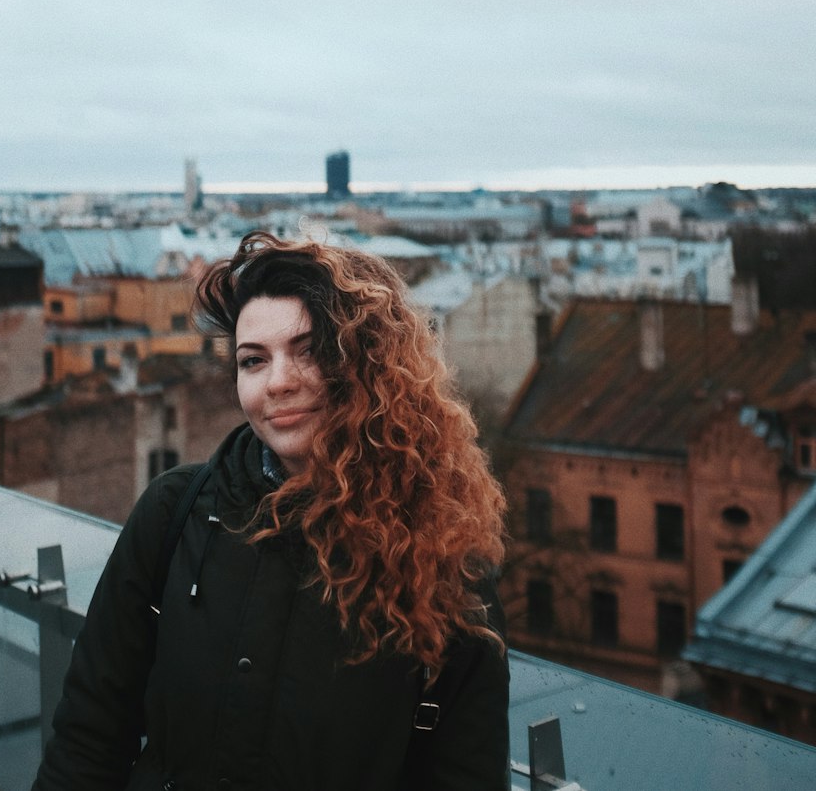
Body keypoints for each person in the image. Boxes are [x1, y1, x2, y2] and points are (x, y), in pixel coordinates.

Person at [33, 232, 510, 791]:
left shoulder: (444, 562)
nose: (278, 383)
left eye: (308, 351)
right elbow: (90, 733)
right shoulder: (175, 514)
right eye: (253, 361)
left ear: (370, 366)